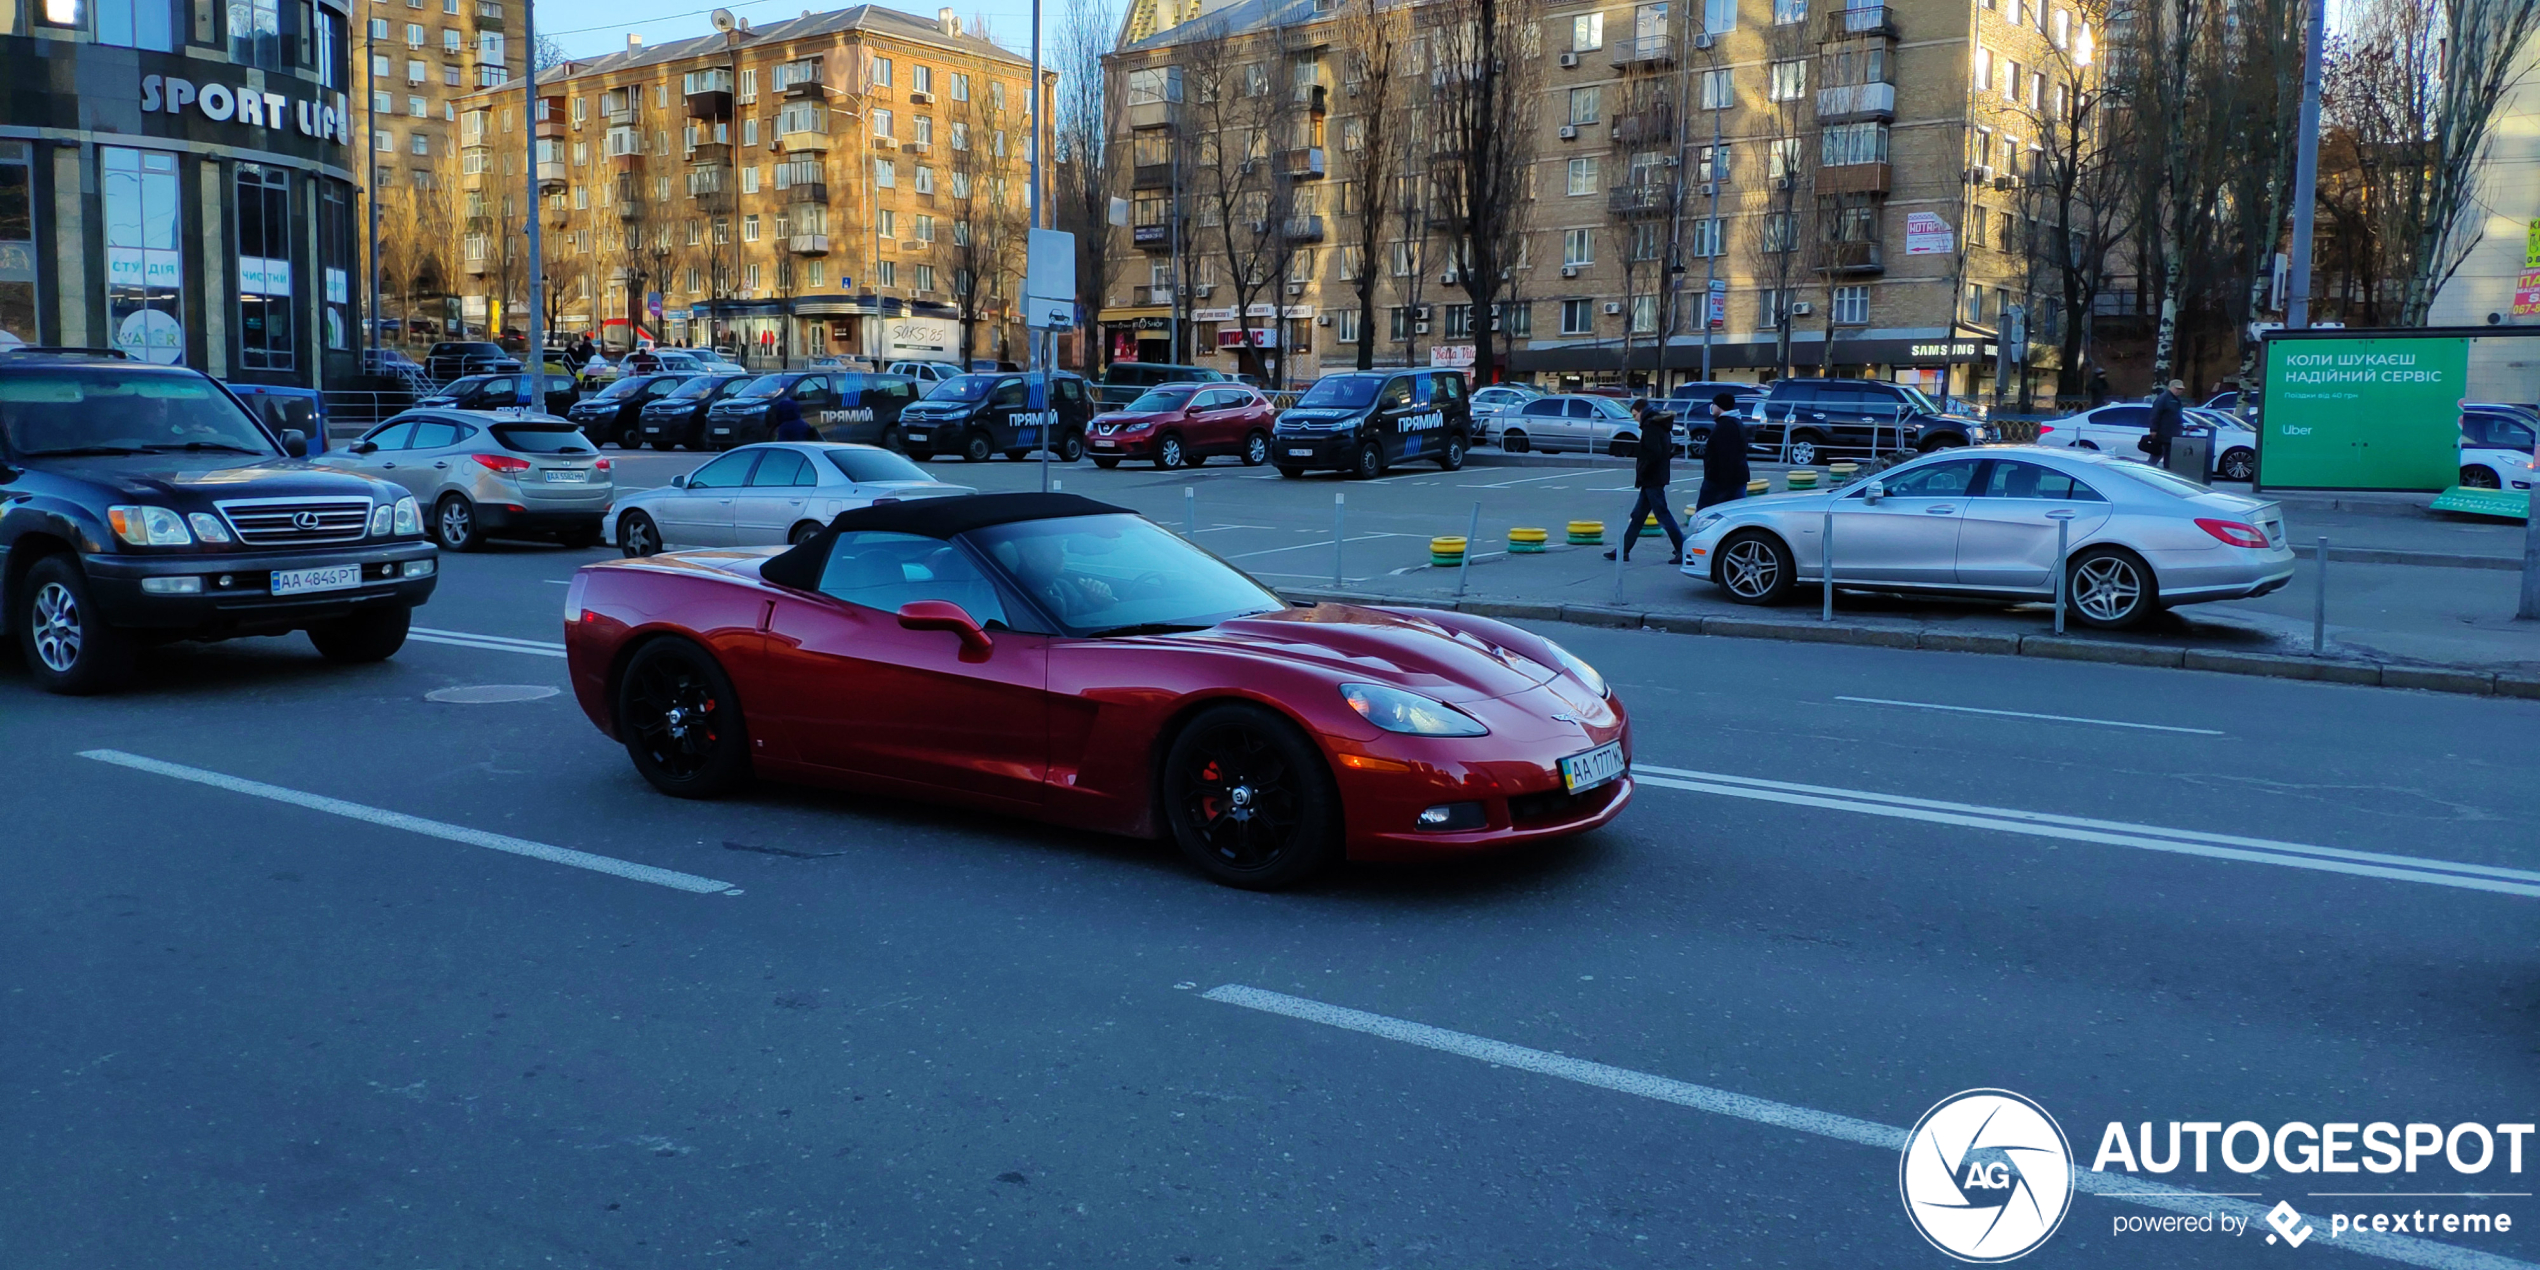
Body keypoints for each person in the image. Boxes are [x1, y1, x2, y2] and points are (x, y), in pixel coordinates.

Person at [1605, 402, 1685, 565]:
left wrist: (1642, 470)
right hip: (1655, 477)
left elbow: (1652, 453)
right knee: (1638, 516)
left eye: (1635, 415)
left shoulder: (1651, 427)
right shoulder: (1659, 425)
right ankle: (1623, 550)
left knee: (1662, 514)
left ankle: (1683, 548)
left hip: (1652, 478)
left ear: (1642, 411)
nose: (1635, 419)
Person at [1694, 392, 1751, 511]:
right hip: (1738, 477)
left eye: (1713, 404)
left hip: (1720, 480)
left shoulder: (1725, 426)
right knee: (1736, 512)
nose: (1712, 407)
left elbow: (1724, 456)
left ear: (1719, 406)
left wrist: (1716, 477)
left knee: (1704, 512)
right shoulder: (1736, 423)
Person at [2146, 378, 2186, 466]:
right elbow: (2155, 414)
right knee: (2155, 458)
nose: (2179, 391)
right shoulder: (2163, 398)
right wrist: (2153, 430)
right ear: (2170, 387)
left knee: (2169, 461)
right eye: (2177, 389)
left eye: (2181, 389)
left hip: (2172, 436)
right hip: (2162, 436)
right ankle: (2145, 475)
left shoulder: (2176, 400)